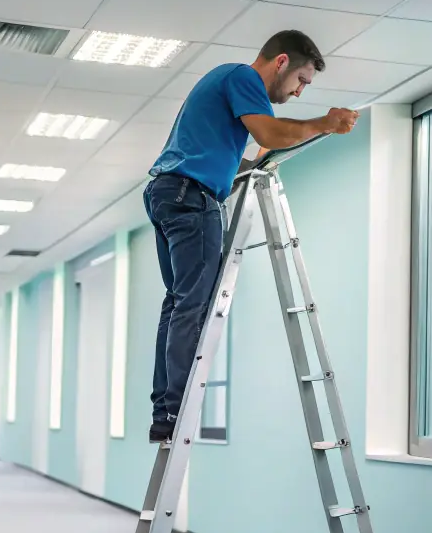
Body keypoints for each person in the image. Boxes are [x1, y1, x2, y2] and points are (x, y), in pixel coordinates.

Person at [144, 30, 358, 444]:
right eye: (302, 80)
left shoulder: (223, 84)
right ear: (281, 62)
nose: (299, 92)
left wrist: (262, 158)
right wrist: (325, 125)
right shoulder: (242, 76)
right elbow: (270, 134)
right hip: (191, 198)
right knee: (194, 305)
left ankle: (165, 410)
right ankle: (176, 407)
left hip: (168, 192)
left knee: (178, 303)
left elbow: (244, 150)